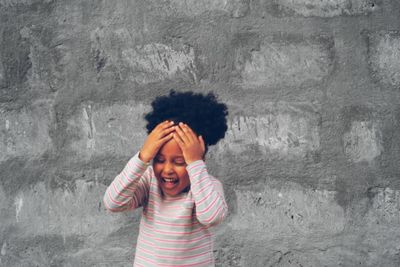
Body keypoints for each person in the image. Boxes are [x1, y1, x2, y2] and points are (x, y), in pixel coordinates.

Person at [103, 90, 229, 266]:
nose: (167, 169)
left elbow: (212, 217)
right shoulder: (149, 182)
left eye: (179, 162)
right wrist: (142, 157)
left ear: (199, 160)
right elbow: (113, 203)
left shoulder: (207, 187)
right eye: (159, 160)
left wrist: (195, 164)